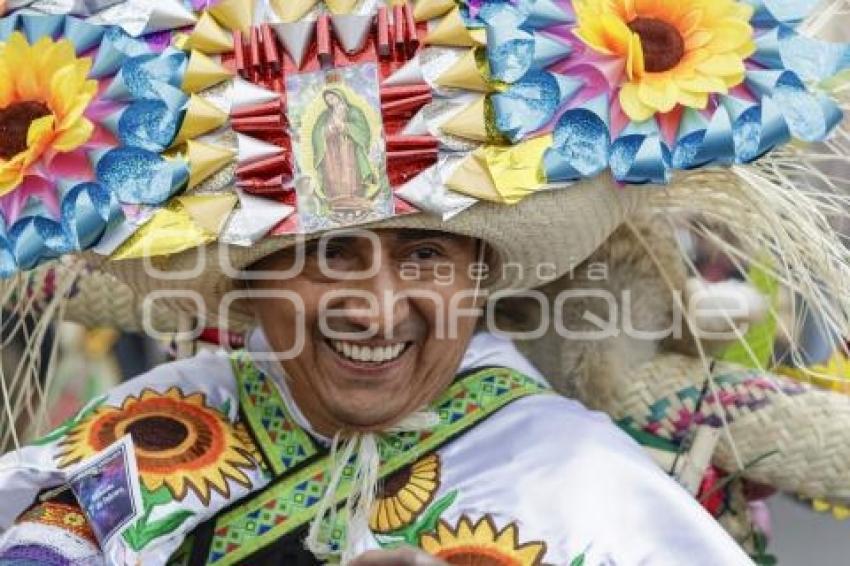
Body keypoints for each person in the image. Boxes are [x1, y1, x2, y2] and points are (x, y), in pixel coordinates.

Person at [0, 0, 848, 564]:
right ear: (251, 285)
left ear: (480, 278)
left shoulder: (585, 487)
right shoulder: (132, 446)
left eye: (424, 257)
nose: (375, 306)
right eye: (325, 253)